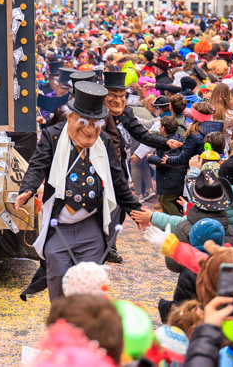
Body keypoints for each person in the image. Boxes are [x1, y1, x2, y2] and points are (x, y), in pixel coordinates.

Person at [16, 82, 143, 300]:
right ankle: (61, 326)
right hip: (59, 226)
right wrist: (27, 188)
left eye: (96, 124)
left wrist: (135, 210)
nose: (89, 129)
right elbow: (37, 165)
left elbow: (116, 179)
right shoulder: (52, 136)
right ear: (70, 118)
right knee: (57, 276)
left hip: (90, 227)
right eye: (84, 123)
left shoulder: (103, 140)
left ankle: (84, 327)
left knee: (88, 284)